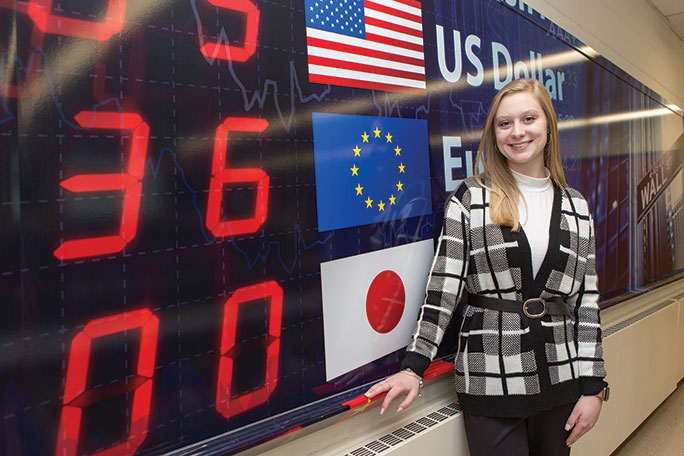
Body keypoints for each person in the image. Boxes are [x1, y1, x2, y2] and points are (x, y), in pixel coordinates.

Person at [365, 78, 608, 456]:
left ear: (548, 126)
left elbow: (586, 302)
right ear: (494, 133)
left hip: (561, 374)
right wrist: (414, 366)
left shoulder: (576, 206)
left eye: (528, 118)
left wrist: (594, 387)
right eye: (504, 123)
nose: (517, 132)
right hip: (490, 377)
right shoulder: (471, 197)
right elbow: (443, 288)